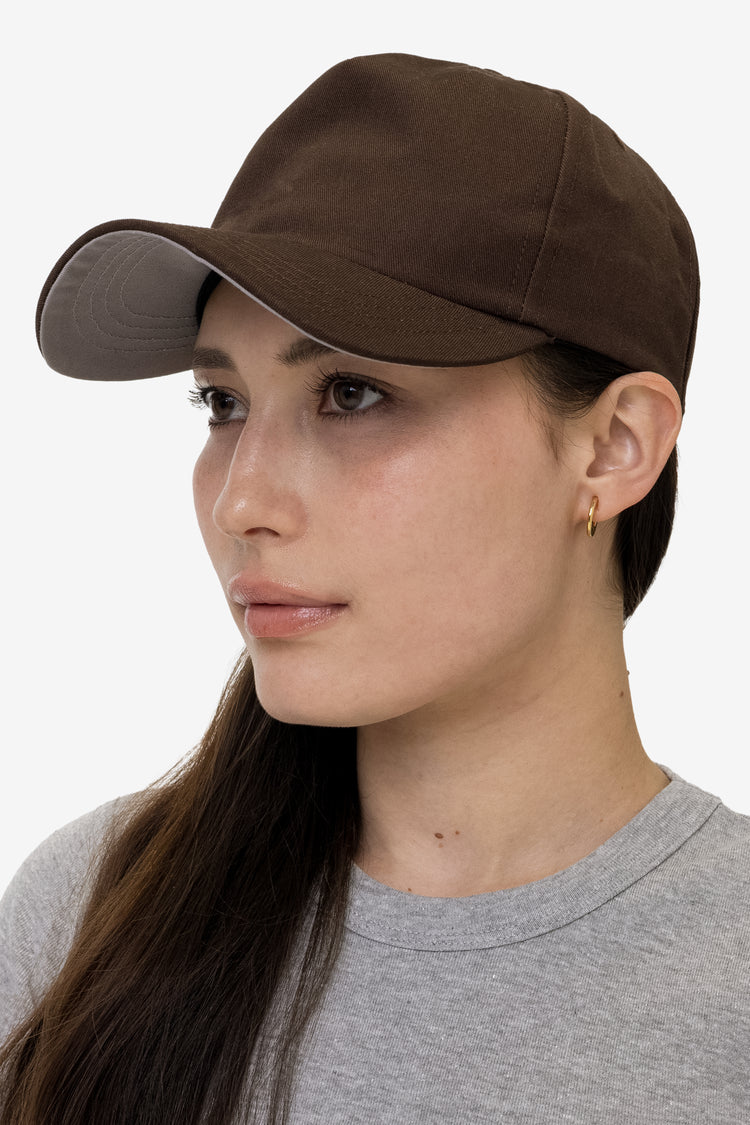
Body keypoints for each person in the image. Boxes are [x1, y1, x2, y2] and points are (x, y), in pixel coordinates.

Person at [1, 52, 747, 1124]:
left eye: (351, 393)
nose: (242, 500)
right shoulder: (91, 913)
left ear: (614, 445)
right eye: (221, 403)